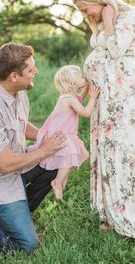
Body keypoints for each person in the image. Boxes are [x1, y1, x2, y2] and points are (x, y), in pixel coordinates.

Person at [73, 0, 135, 238]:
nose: (87, 15)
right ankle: (109, 212)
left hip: (121, 97)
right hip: (104, 97)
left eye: (87, 9)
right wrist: (97, 22)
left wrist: (107, 18)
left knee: (122, 149)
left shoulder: (128, 14)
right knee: (106, 149)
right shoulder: (101, 20)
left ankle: (126, 211)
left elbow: (117, 49)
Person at [0, 42, 67, 253]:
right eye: (31, 69)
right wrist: (43, 150)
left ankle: (19, 213)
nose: (36, 72)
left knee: (60, 157)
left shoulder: (18, 92)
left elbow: (20, 124)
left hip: (16, 168)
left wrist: (45, 138)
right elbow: (3, 165)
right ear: (13, 76)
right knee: (26, 245)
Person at [27, 65, 99, 200]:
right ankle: (58, 181)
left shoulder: (68, 97)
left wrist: (87, 87)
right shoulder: (68, 99)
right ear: (72, 82)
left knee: (71, 158)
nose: (84, 78)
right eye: (82, 77)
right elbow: (86, 112)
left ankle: (62, 179)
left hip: (67, 135)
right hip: (63, 136)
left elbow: (80, 98)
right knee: (70, 155)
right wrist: (93, 98)